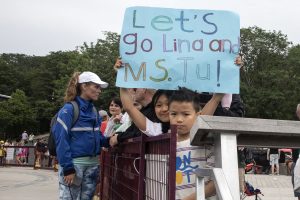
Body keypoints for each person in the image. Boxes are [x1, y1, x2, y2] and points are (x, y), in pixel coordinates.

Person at [52, 71, 110, 199]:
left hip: (92, 166)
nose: (99, 90)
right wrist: (67, 168)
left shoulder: (94, 111)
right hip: (74, 166)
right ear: (84, 86)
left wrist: (112, 140)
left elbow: (98, 138)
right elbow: (61, 140)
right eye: (96, 86)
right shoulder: (68, 109)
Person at [168, 87, 224, 200]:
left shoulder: (205, 143)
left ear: (198, 115)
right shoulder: (166, 144)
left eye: (185, 114)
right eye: (173, 114)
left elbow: (216, 181)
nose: (179, 119)